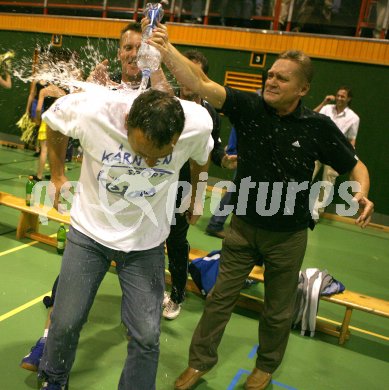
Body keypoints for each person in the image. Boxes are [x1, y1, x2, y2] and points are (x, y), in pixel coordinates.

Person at [145, 21, 374, 389]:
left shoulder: (318, 127)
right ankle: (199, 363)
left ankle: (265, 367)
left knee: (277, 311)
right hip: (243, 227)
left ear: (303, 89)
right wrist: (166, 47)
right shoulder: (250, 107)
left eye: (282, 79)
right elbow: (200, 84)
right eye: (270, 74)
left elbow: (355, 165)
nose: (271, 81)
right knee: (219, 300)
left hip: (288, 237)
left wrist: (360, 191)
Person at [37, 88, 213, 390]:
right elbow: (54, 121)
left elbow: (202, 157)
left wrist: (197, 194)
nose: (147, 163)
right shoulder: (94, 111)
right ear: (126, 122)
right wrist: (57, 175)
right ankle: (54, 378)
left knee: (146, 336)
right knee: (66, 321)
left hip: (146, 243)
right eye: (141, 152)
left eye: (158, 157)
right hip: (89, 233)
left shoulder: (196, 123)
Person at [19, 22, 169, 373]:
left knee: (145, 330)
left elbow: (177, 114)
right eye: (128, 48)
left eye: (141, 48)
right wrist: (57, 176)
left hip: (141, 220)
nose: (134, 54)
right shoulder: (100, 87)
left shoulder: (159, 92)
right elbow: (58, 119)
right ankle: (47, 341)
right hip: (93, 218)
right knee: (66, 302)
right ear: (119, 52)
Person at [163, 49, 232, 320]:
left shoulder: (209, 112)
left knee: (176, 241)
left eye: (193, 73)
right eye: (182, 71)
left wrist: (224, 160)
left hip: (184, 187)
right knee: (150, 242)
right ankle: (152, 290)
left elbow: (210, 151)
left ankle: (177, 295)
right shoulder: (164, 102)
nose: (185, 78)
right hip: (156, 185)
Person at [312, 86, 360, 218]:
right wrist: (324, 102)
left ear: (348, 99)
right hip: (317, 148)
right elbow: (310, 116)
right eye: (338, 95)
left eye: (342, 96)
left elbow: (352, 140)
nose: (339, 98)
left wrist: (348, 158)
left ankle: (316, 212)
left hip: (335, 152)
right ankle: (294, 203)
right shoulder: (327, 108)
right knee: (306, 173)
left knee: (327, 182)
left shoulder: (354, 118)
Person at [205, 126, 237, 239]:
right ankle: (216, 224)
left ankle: (217, 223)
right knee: (237, 189)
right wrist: (232, 151)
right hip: (246, 156)